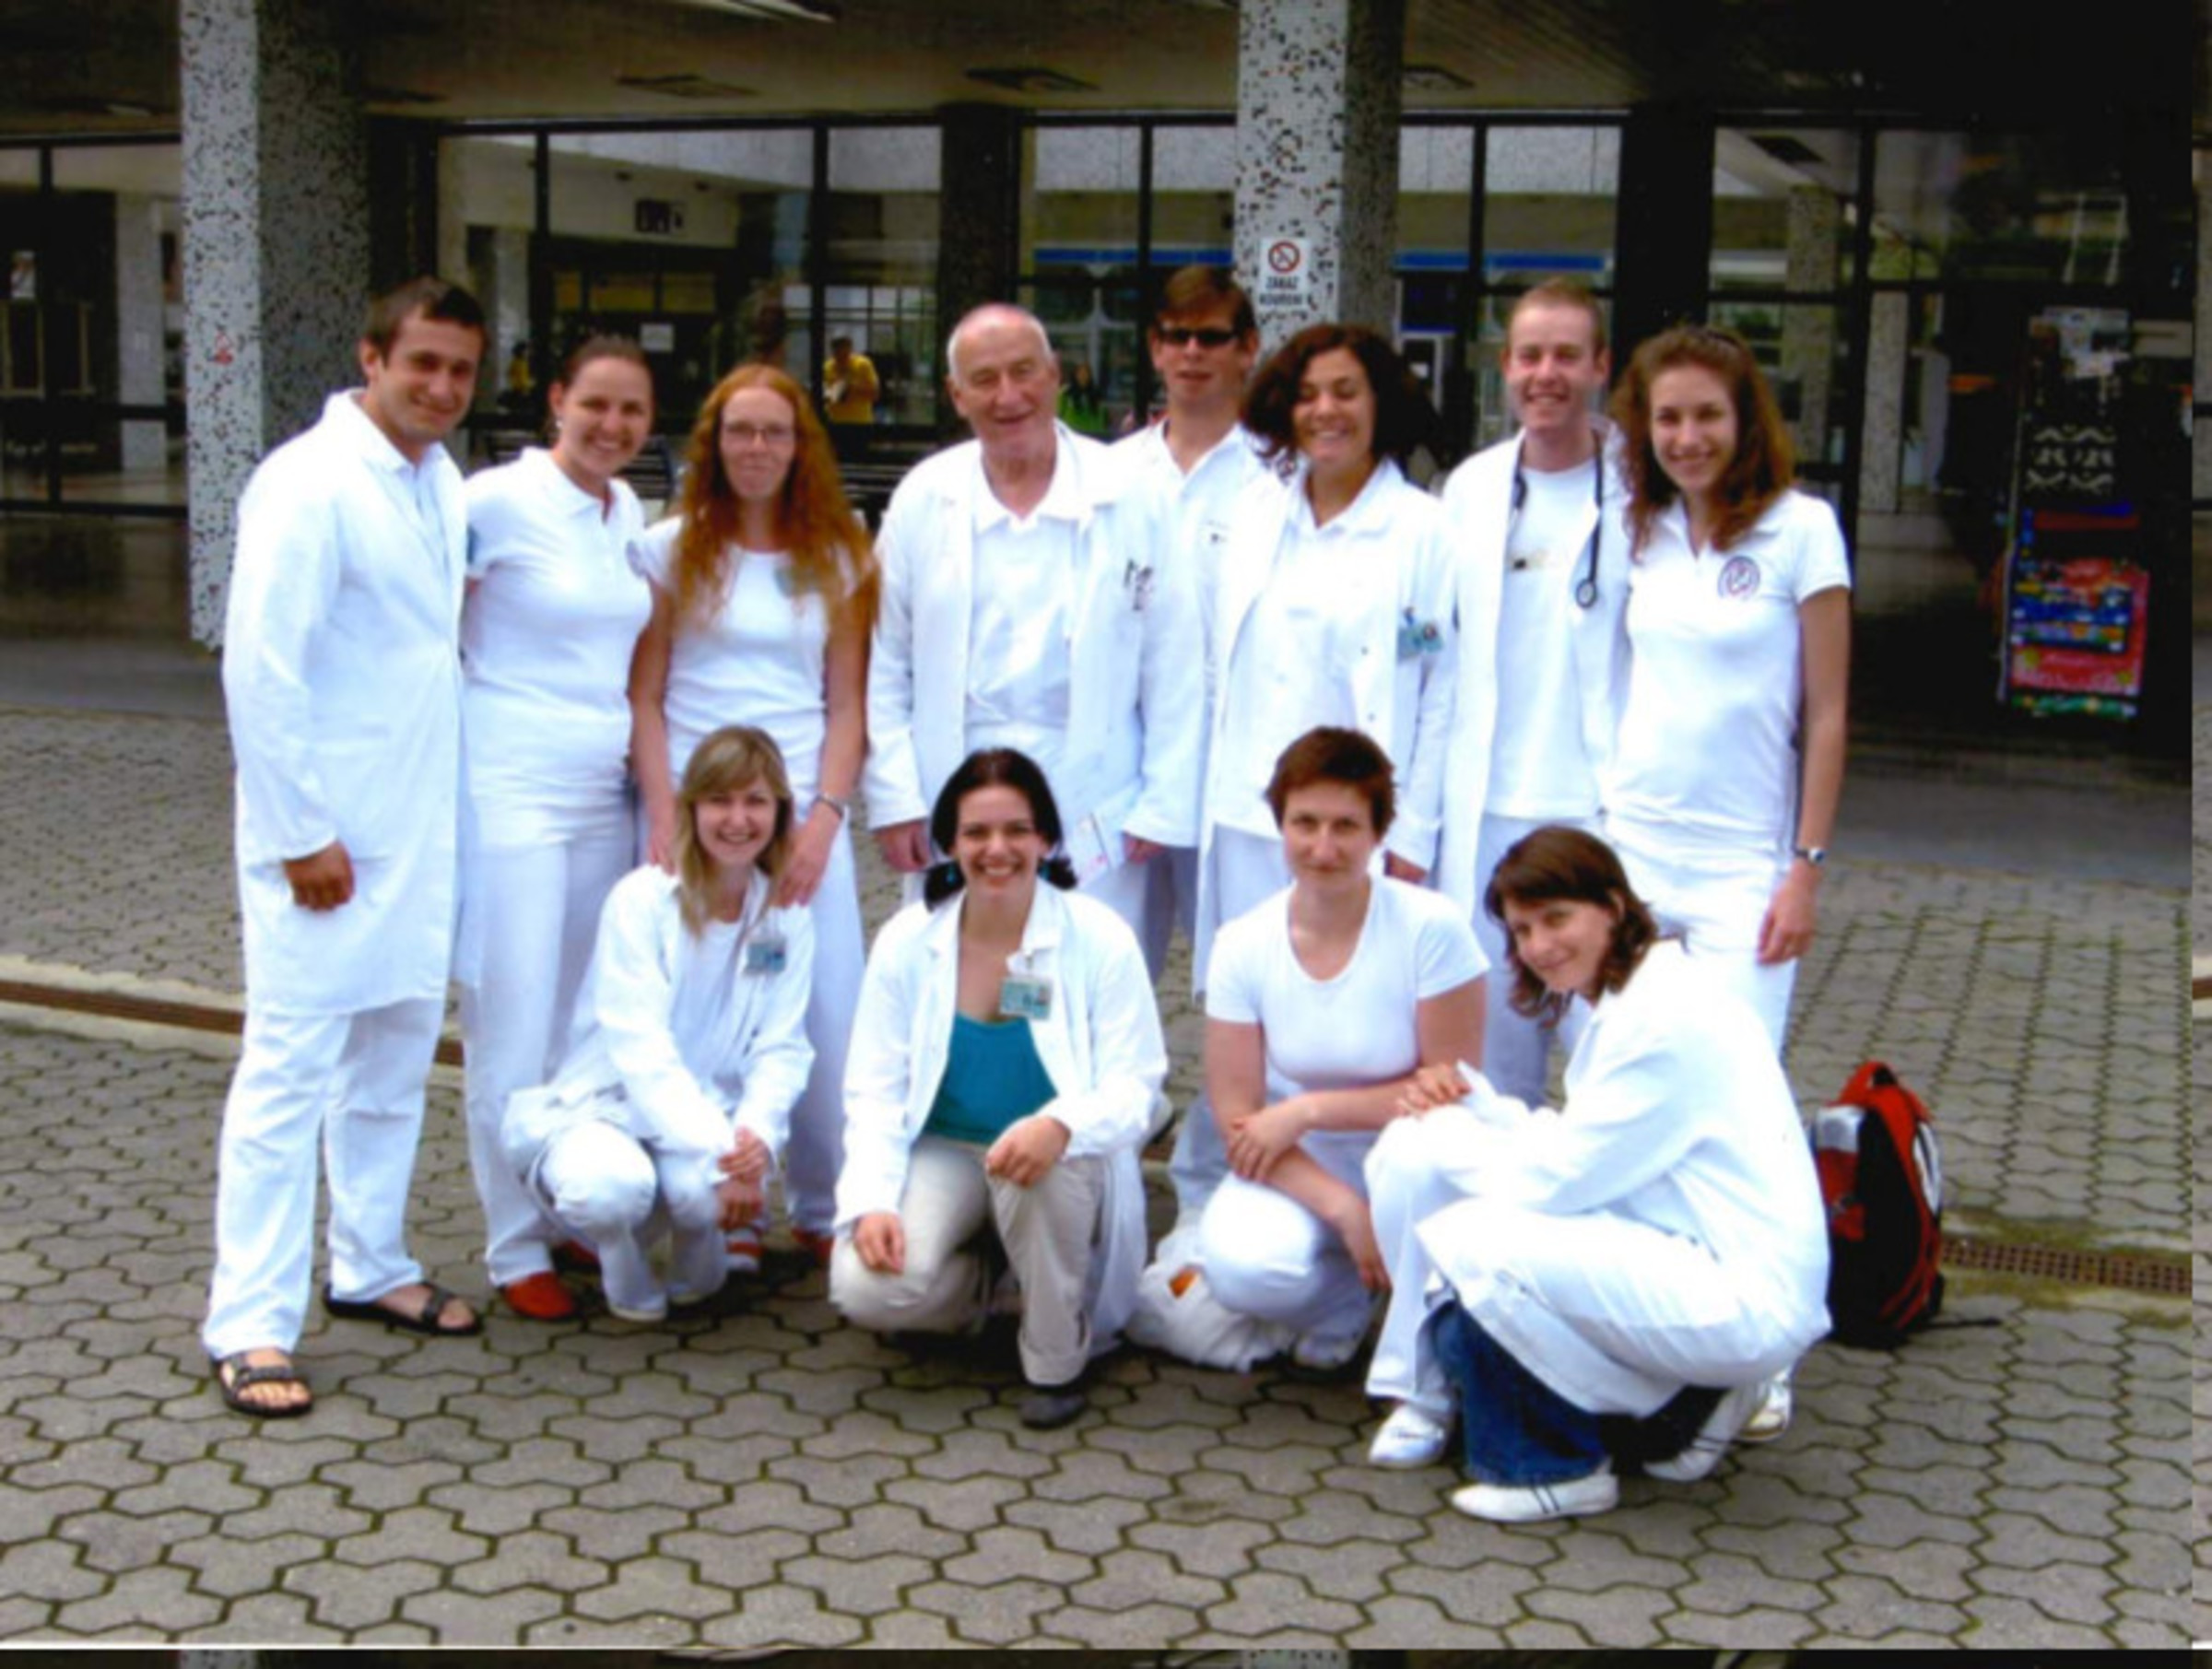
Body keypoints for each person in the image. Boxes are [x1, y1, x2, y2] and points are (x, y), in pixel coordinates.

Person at [1359, 826, 1829, 1523]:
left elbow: (1555, 1183)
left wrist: (1446, 1128)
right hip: (1711, 1260)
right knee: (1445, 1217)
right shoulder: (1645, 994)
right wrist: (1471, 1105)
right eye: (1522, 929)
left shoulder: (1660, 1020)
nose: (1539, 945)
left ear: (1612, 906)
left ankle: (1556, 1467)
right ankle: (1685, 1413)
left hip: (1742, 1294)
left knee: (1473, 1240)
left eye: (1556, 918)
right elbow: (1591, 1149)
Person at [204, 276, 488, 1419]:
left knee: (392, 1061)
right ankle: (248, 1320)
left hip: (418, 827)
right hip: (325, 836)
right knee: (288, 1073)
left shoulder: (442, 481)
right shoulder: (307, 480)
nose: (441, 387)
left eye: (460, 369)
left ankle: (369, 1262)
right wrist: (300, 832)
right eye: (422, 362)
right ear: (371, 358)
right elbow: (259, 666)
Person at [1185, 323, 1455, 1220]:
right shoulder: (1255, 512)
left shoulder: (1422, 528)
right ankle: (1225, 1198)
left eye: (1345, 392)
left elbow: (1439, 686)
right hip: (1250, 814)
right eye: (1306, 394)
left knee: (1356, 1009)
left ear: (1381, 404)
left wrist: (1412, 828)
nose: (1324, 411)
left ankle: (1371, 1199)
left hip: (1354, 824)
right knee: (1247, 1011)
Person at [831, 748, 1166, 1430]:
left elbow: (1138, 1084)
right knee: (866, 1290)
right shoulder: (906, 939)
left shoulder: (1100, 937)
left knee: (1036, 1165)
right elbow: (874, 1090)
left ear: (1047, 838)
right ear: (948, 842)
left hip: (1054, 1161)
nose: (997, 849)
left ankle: (1054, 1356)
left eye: (1017, 830)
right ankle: (999, 1281)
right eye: (976, 832)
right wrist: (871, 1201)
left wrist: (1063, 1124)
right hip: (946, 1150)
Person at [629, 362, 876, 1271]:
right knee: (702, 1006)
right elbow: (645, 694)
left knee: (822, 1008)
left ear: (801, 445)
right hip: (695, 814)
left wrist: (824, 818)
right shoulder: (669, 550)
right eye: (740, 430)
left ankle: (824, 1198)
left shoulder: (841, 555)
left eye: (776, 431)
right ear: (714, 442)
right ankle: (723, 1195)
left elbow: (847, 705)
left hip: (801, 816)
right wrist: (666, 814)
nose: (758, 447)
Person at [864, 301, 1201, 949]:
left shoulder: (1133, 492)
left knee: (1091, 966)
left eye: (1023, 372)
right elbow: (886, 663)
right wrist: (896, 796)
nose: (1008, 395)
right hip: (957, 779)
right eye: (984, 379)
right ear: (956, 395)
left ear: (1054, 375)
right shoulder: (924, 497)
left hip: (1097, 788)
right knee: (962, 967)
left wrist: (1164, 800)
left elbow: (1175, 659)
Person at [1159, 728, 1484, 1374]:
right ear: (1279, 824)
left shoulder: (1432, 926)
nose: (1323, 847)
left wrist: (1307, 1111)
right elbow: (1239, 1119)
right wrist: (1345, 1210)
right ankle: (1347, 1297)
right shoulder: (1242, 942)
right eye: (1305, 823)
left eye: (1346, 826)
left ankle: (1421, 1327)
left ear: (1379, 833)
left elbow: (1450, 1087)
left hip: (1418, 1153)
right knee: (1242, 1268)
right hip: (1299, 1157)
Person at [458, 335, 657, 1321]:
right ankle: (513, 1243)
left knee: (582, 1023)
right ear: (556, 403)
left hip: (601, 799)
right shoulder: (494, 501)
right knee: (511, 1025)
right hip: (512, 794)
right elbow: (427, 630)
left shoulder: (628, 511)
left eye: (632, 410)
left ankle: (561, 1191)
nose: (612, 426)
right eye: (596, 405)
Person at [500, 727, 814, 1322]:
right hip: (611, 1102)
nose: (738, 819)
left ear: (779, 811)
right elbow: (640, 1050)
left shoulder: (784, 914)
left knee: (701, 1197)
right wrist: (724, 1150)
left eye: (755, 801)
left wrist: (755, 1137)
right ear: (691, 808)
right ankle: (619, 1263)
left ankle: (699, 1255)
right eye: (719, 801)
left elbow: (782, 1046)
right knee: (608, 1190)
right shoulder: (641, 899)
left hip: (713, 1109)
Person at [1606, 322, 1850, 1052]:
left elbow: (1828, 715)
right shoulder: (1639, 530)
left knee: (1735, 1078)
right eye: (1668, 418)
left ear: (1746, 420)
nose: (1688, 438)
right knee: (1625, 1070)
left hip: (1742, 866)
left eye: (1708, 414)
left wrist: (1805, 871)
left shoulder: (1803, 528)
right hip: (1632, 847)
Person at [1436, 280, 1630, 1107]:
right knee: (1492, 1074)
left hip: (1597, 812)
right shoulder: (1470, 488)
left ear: (1600, 366)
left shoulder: (1643, 489)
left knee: (1608, 1057)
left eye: (1566, 355)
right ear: (1506, 366)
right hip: (1485, 814)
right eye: (1529, 355)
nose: (1546, 373)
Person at [1113, 264, 1267, 983]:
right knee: (1110, 969)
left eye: (1212, 337)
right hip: (1124, 770)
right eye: (1176, 337)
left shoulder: (1281, 475)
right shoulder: (1110, 475)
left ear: (1248, 348)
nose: (1192, 353)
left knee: (1245, 976)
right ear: (1155, 349)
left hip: (1239, 774)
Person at [822, 335, 879, 426]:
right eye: (838, 354)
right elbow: (826, 396)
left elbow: (875, 394)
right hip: (835, 421)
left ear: (850, 350)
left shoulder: (863, 365)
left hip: (860, 422)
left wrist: (852, 387)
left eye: (845, 354)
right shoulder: (827, 367)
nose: (841, 359)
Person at [1058, 358, 1110, 437]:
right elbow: (1058, 416)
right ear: (1075, 374)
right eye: (1080, 372)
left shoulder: (1095, 393)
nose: (1083, 375)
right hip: (1072, 435)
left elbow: (1102, 415)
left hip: (1093, 435)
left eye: (1086, 372)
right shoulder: (1066, 393)